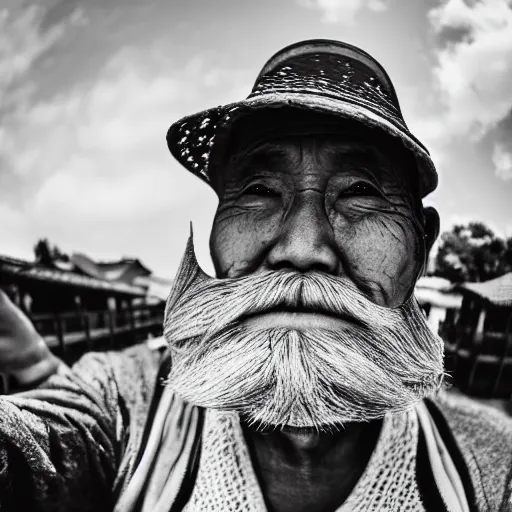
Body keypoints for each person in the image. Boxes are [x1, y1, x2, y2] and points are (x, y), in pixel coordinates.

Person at [0, 39, 511, 512]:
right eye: (258, 191)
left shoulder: (492, 465)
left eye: (361, 190)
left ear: (422, 245)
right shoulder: (128, 399)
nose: (302, 248)